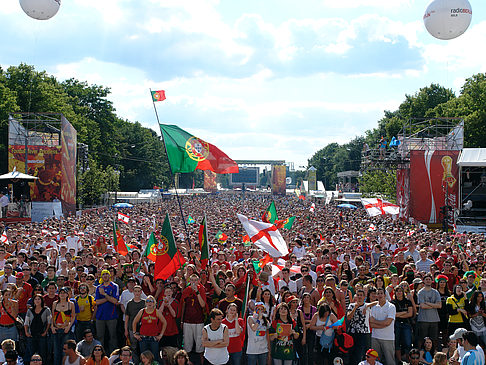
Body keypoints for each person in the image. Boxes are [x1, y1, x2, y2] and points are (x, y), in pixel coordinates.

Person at [132, 295, 167, 364]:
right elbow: (134, 322)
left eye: (151, 301)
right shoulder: (142, 311)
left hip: (154, 338)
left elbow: (164, 322)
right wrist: (134, 333)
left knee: (154, 358)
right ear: (145, 303)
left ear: (154, 303)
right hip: (143, 338)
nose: (149, 303)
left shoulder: (156, 312)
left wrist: (161, 335)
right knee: (143, 357)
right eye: (147, 301)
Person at [180, 274, 207, 359]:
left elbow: (203, 305)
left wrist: (197, 292)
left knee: (200, 342)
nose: (194, 282)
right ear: (189, 281)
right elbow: (183, 306)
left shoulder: (201, 289)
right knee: (187, 343)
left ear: (198, 281)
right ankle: (187, 361)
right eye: (192, 280)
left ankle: (201, 361)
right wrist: (181, 320)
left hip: (198, 320)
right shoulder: (186, 291)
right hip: (187, 320)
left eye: (196, 280)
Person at [94, 270, 120, 354]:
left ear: (110, 275)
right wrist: (108, 298)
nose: (105, 276)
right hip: (100, 316)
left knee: (112, 336)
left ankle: (113, 354)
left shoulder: (114, 286)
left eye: (106, 274)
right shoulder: (99, 287)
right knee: (100, 337)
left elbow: (115, 301)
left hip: (111, 316)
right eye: (103, 274)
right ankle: (100, 354)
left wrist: (104, 294)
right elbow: (97, 302)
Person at [369, 287, 396, 365]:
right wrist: (382, 324)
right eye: (378, 293)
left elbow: (388, 323)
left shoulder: (391, 307)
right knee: (375, 361)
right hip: (375, 337)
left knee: (390, 361)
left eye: (381, 293)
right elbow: (371, 323)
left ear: (384, 295)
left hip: (388, 338)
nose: (380, 295)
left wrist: (376, 322)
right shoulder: (373, 307)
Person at [24, 294, 52, 364]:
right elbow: (26, 322)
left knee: (43, 354)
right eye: (35, 299)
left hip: (42, 335)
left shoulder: (46, 310)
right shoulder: (30, 310)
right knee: (31, 354)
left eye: (39, 299)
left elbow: (49, 322)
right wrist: (26, 332)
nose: (37, 301)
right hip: (32, 335)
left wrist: (45, 332)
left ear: (41, 300)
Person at [417, 274, 442, 350]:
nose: (428, 281)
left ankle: (433, 353)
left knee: (434, 339)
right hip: (423, 319)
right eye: (426, 279)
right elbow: (422, 306)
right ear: (423, 281)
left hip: (434, 319)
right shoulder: (420, 292)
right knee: (422, 339)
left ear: (432, 281)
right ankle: (421, 353)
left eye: (429, 279)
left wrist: (427, 303)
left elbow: (439, 305)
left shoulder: (435, 292)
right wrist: (434, 305)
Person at [52, 287, 76, 365]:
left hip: (66, 330)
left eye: (64, 293)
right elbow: (52, 316)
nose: (62, 295)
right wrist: (52, 327)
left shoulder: (71, 304)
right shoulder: (55, 303)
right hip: (56, 329)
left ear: (67, 294)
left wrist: (69, 326)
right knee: (56, 351)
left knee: (65, 350)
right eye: (61, 293)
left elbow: (73, 316)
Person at [124, 285, 146, 363]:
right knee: (133, 347)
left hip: (142, 328)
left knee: (143, 347)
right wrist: (126, 329)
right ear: (133, 292)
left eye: (138, 291)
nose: (137, 293)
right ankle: (135, 362)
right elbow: (127, 317)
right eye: (135, 291)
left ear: (141, 292)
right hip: (131, 328)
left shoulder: (144, 302)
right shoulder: (130, 303)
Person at [392, 285, 413, 363]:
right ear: (395, 293)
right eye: (397, 291)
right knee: (397, 343)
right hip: (396, 324)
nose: (399, 293)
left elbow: (410, 314)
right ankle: (399, 360)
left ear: (403, 292)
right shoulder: (392, 302)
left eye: (400, 291)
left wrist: (399, 314)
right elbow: (393, 314)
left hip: (406, 324)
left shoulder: (408, 301)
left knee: (408, 343)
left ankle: (409, 360)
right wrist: (404, 312)